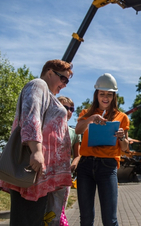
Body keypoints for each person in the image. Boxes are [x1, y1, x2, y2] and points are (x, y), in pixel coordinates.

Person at [0, 59, 73, 226]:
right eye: (64, 79)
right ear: (50, 72)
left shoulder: (49, 94)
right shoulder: (38, 85)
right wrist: (37, 151)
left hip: (43, 172)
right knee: (28, 218)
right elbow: (31, 117)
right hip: (34, 168)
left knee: (37, 218)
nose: (65, 84)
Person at [75, 73, 130, 226]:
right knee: (85, 219)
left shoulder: (122, 117)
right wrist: (91, 119)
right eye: (102, 94)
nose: (105, 97)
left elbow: (125, 148)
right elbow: (78, 130)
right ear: (96, 95)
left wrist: (121, 137)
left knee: (110, 219)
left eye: (109, 94)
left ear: (114, 96)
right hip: (85, 166)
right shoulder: (86, 113)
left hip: (107, 167)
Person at [57, 96, 81, 226]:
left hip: (64, 176)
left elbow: (77, 155)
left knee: (60, 208)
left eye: (72, 109)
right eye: (66, 107)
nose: (69, 111)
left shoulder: (74, 132)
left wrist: (72, 166)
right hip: (46, 174)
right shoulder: (47, 127)